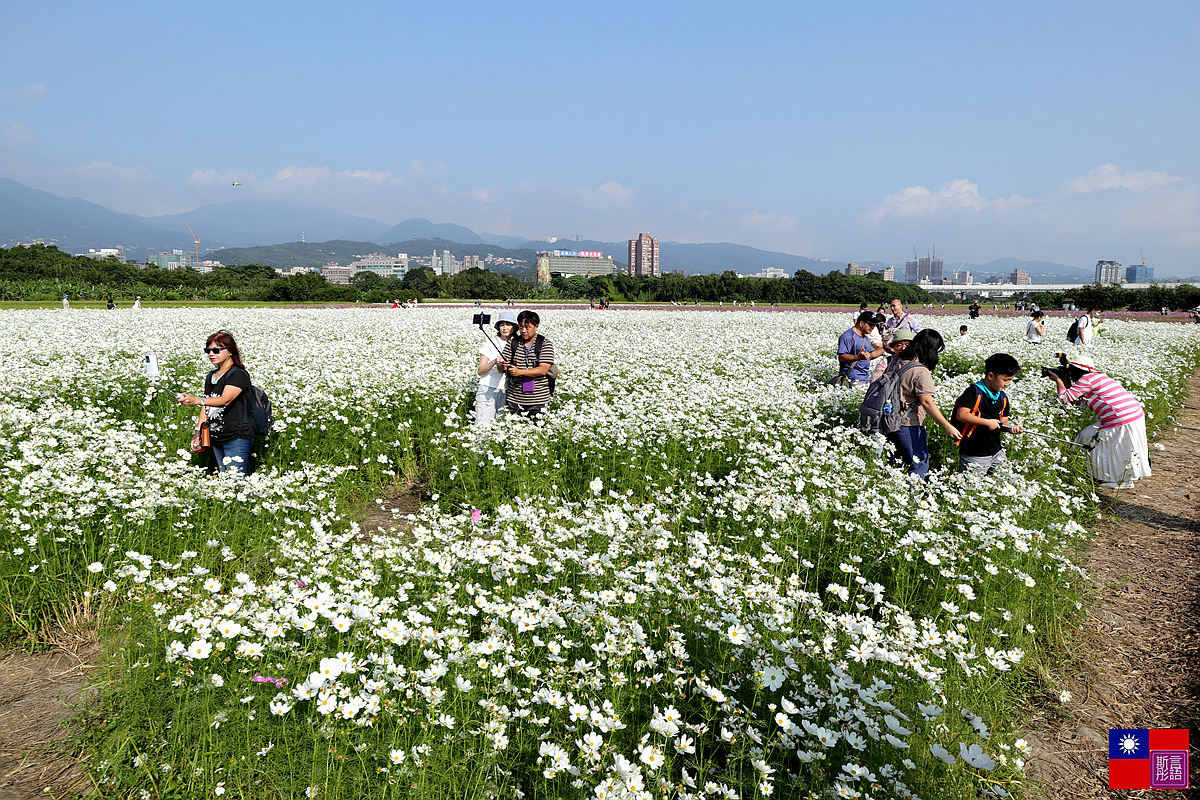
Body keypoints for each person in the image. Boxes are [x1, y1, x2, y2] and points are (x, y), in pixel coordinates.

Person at [1046, 354, 1151, 489]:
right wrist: (1065, 381)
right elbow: (1076, 402)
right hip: (1130, 415)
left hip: (1121, 419)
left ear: (1074, 370)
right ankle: (1099, 474)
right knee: (1086, 435)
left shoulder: (1087, 379)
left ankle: (1120, 480)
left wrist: (1058, 380)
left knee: (1101, 446)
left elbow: (1065, 398)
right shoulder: (1096, 377)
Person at [885, 329, 962, 478]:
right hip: (909, 424)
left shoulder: (896, 362)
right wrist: (947, 426)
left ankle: (890, 493)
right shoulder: (920, 371)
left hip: (890, 422)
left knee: (896, 463)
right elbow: (926, 402)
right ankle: (912, 499)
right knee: (919, 464)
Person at [178, 331, 256, 475]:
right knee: (224, 477)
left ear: (230, 351)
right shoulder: (211, 376)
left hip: (236, 435)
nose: (211, 354)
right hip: (217, 435)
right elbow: (206, 405)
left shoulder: (238, 374)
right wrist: (198, 432)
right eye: (208, 350)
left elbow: (225, 399)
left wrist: (196, 400)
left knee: (235, 478)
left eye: (216, 350)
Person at [953, 353, 1023, 475]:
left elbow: (1003, 420)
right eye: (1005, 380)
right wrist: (987, 422)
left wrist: (1010, 428)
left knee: (1004, 480)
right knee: (971, 487)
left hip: (996, 450)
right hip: (974, 452)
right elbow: (962, 415)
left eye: (1010, 380)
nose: (1007, 384)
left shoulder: (1002, 396)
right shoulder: (974, 392)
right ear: (990, 375)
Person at [499, 310, 556, 420]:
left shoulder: (544, 343)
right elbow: (501, 368)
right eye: (521, 327)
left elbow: (543, 370)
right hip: (514, 400)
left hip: (538, 401)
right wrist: (502, 365)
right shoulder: (513, 343)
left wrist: (519, 372)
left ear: (536, 326)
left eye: (527, 327)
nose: (523, 330)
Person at [475, 310, 517, 425]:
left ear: (514, 327)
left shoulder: (517, 344)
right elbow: (480, 371)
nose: (505, 328)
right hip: (488, 388)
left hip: (507, 391)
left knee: (500, 426)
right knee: (483, 425)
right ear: (498, 327)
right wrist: (493, 361)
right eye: (502, 325)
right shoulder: (490, 343)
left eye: (508, 325)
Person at [836, 312, 885, 387]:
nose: (873, 327)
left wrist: (885, 348)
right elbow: (842, 357)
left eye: (874, 325)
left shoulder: (865, 337)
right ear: (861, 323)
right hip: (852, 380)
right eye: (870, 324)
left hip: (864, 379)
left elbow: (870, 356)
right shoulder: (848, 336)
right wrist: (858, 357)